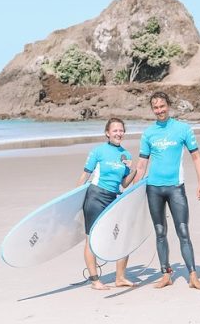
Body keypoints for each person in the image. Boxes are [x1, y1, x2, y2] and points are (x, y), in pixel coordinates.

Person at [134, 91, 200, 290]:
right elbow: (142, 165)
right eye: (156, 108)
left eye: (162, 106)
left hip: (176, 188)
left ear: (168, 105)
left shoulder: (182, 129)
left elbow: (196, 157)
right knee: (160, 232)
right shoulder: (148, 133)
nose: (159, 110)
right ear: (152, 109)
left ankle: (193, 276)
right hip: (154, 189)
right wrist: (130, 188)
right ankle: (165, 274)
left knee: (183, 231)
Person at [77, 118, 137, 290]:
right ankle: (95, 280)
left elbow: (124, 184)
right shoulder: (98, 151)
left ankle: (120, 277)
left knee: (123, 235)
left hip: (113, 198)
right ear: (107, 133)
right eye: (115, 130)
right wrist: (73, 200)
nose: (119, 133)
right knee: (91, 239)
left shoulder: (126, 155)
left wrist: (134, 172)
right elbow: (85, 176)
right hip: (95, 196)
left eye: (121, 130)